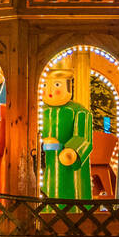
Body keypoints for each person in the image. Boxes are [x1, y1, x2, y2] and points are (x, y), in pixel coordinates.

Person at [40, 69, 92, 199]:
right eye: (45, 85)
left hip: (68, 162)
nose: (50, 90)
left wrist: (72, 151)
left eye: (56, 85)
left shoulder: (79, 112)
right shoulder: (38, 110)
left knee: (71, 191)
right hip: (45, 160)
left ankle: (76, 211)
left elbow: (83, 137)